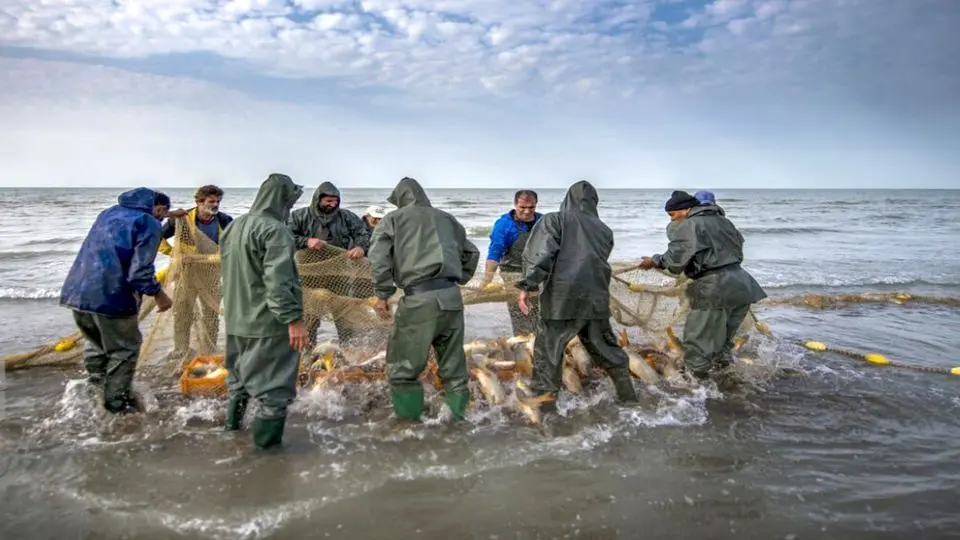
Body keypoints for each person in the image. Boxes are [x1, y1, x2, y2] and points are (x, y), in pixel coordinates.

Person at [514, 180, 639, 413]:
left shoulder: (554, 220)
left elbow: (541, 255)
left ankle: (546, 409)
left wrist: (526, 286)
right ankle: (628, 398)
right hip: (596, 298)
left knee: (548, 353)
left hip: (562, 299)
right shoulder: (604, 230)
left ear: (567, 199)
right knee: (606, 348)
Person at [368, 177, 480, 422]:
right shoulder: (447, 219)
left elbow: (377, 258)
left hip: (419, 301)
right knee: (453, 366)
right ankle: (457, 422)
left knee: (403, 370)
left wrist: (383, 294)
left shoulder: (393, 219)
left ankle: (410, 430)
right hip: (451, 299)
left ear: (400, 200)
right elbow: (472, 252)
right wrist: (460, 277)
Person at [59, 188, 174, 414]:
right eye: (161, 212)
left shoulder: (108, 214)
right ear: (156, 207)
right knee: (125, 350)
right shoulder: (149, 223)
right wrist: (159, 295)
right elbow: (139, 272)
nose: (161, 217)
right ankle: (116, 407)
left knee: (96, 345)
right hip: (112, 297)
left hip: (77, 292)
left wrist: (171, 214)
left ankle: (95, 392)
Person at [220, 173, 308, 450]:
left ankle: (231, 435)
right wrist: (293, 319)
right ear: (282, 200)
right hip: (268, 325)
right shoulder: (276, 230)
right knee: (274, 392)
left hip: (236, 321)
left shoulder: (234, 227)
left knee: (239, 382)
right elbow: (279, 281)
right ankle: (266, 458)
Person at [639, 190, 767, 380]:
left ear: (686, 209)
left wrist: (655, 261)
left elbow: (675, 262)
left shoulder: (689, 224)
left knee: (697, 344)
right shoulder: (725, 222)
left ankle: (697, 390)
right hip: (742, 286)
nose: (672, 220)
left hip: (714, 288)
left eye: (672, 215)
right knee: (723, 343)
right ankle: (727, 383)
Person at [287, 181, 371, 347]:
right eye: (328, 201)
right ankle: (306, 354)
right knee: (309, 318)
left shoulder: (346, 216)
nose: (333, 204)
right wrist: (306, 241)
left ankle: (348, 352)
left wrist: (361, 248)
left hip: (340, 275)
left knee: (346, 318)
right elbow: (285, 236)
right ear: (318, 200)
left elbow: (363, 233)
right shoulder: (298, 216)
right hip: (309, 277)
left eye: (336, 201)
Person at [159, 185, 234, 361]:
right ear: (198, 202)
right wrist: (172, 253)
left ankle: (209, 351)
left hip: (212, 273)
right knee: (183, 312)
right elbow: (156, 236)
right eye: (211, 201)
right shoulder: (182, 220)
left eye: (218, 202)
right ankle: (181, 350)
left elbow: (234, 246)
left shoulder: (225, 220)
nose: (215, 205)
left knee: (211, 313)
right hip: (186, 274)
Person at [482, 190, 543, 336]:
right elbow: (494, 254)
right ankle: (522, 343)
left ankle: (537, 343)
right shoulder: (504, 224)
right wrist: (486, 281)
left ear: (536, 205)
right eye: (522, 207)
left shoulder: (543, 222)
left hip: (536, 272)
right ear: (515, 204)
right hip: (512, 273)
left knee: (538, 311)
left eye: (531, 207)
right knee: (520, 312)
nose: (527, 211)